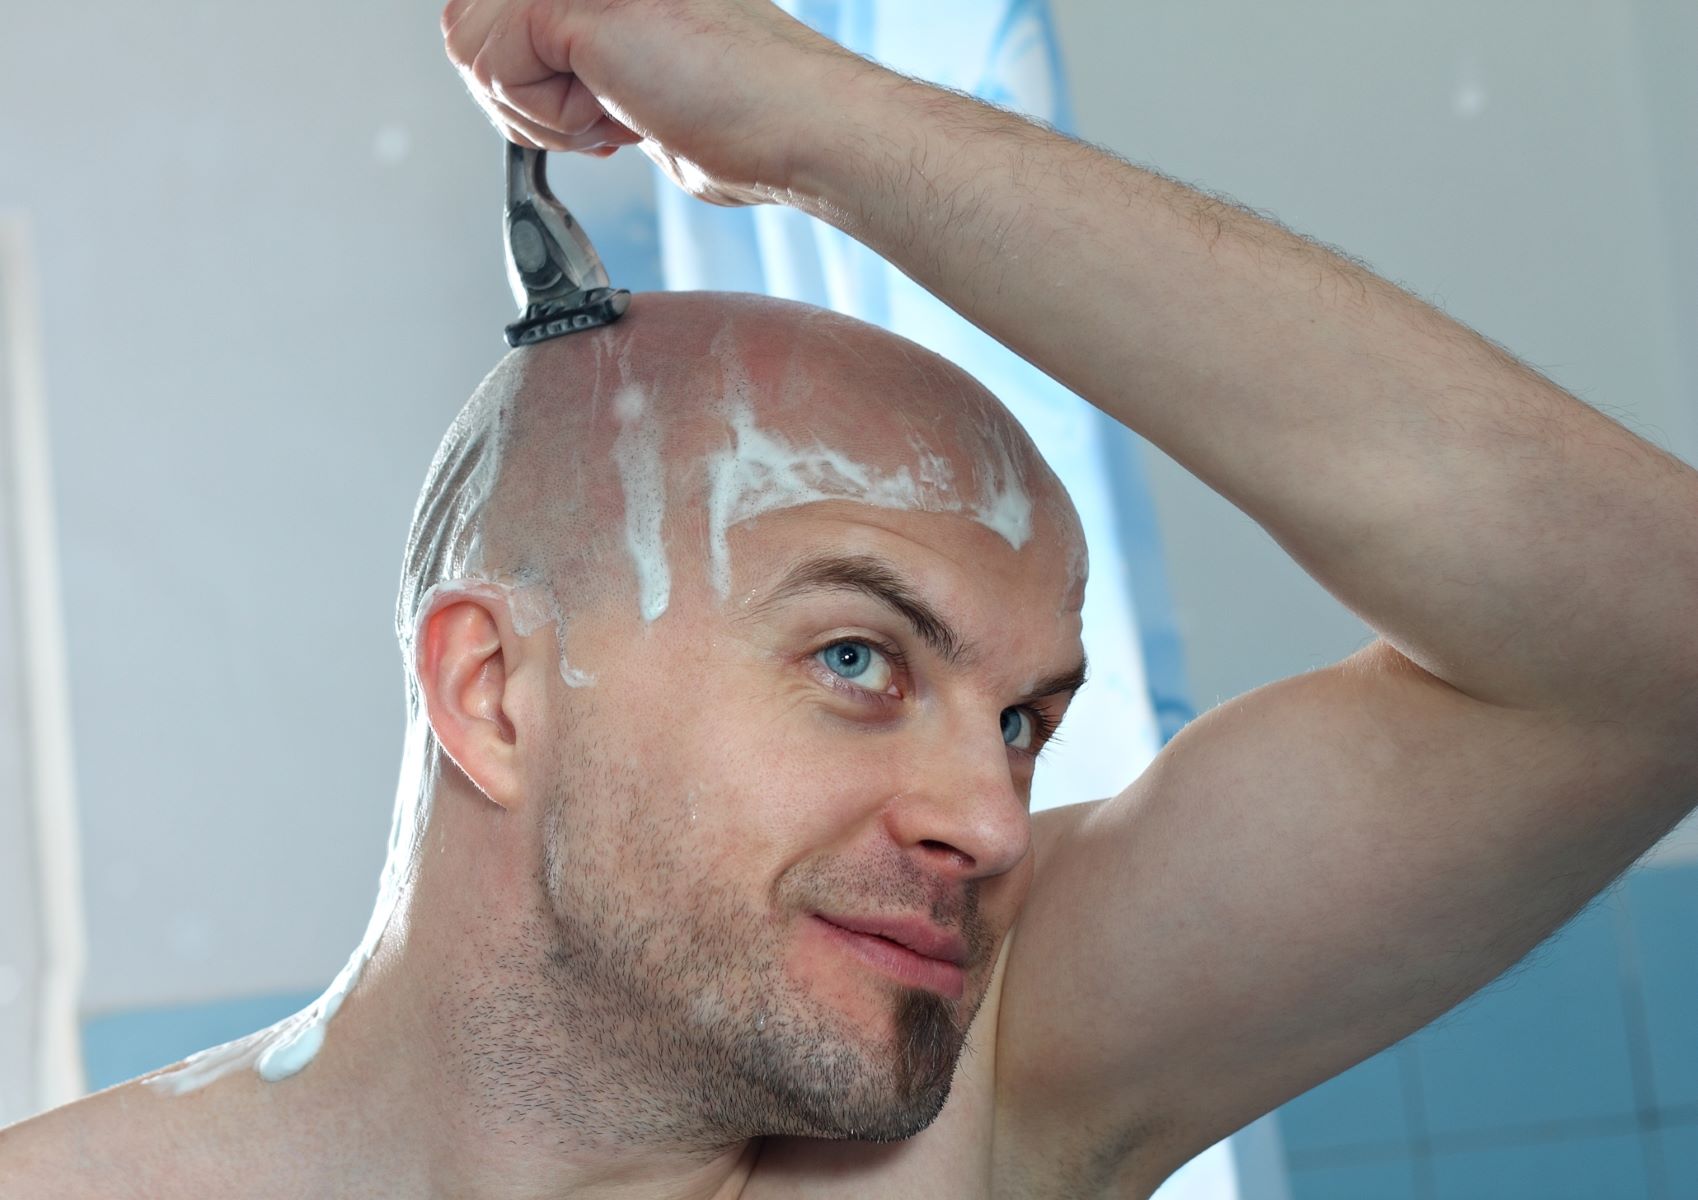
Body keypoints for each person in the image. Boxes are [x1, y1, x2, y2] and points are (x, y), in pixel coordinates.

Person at [4, 2, 1696, 1197]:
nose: (991, 818)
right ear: (494, 690)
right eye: (856, 657)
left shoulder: (999, 1090)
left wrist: (816, 125)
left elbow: (1650, 644)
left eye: (1028, 721)